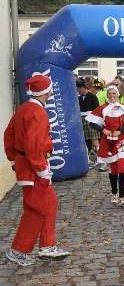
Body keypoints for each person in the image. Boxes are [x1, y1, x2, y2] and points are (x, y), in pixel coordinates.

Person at [3, 74, 70, 265]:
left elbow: (9, 135)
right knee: (42, 206)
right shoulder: (37, 112)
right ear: (46, 92)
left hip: (26, 165)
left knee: (41, 206)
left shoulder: (23, 108)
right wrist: (42, 169)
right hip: (34, 167)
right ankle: (26, 249)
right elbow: (33, 144)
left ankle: (43, 246)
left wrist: (14, 159)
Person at [86, 85, 124, 207]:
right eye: (110, 94)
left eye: (114, 93)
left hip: (122, 140)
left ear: (118, 94)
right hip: (108, 141)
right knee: (113, 169)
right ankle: (114, 193)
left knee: (122, 168)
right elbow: (91, 122)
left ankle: (122, 197)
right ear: (107, 95)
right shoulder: (103, 108)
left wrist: (120, 131)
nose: (112, 96)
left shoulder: (122, 107)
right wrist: (103, 130)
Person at [78, 77, 100, 166]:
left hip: (91, 120)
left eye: (78, 89)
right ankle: (87, 159)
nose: (77, 91)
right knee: (84, 140)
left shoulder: (92, 96)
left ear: (82, 87)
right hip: (82, 120)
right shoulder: (79, 97)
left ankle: (100, 159)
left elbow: (97, 110)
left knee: (94, 140)